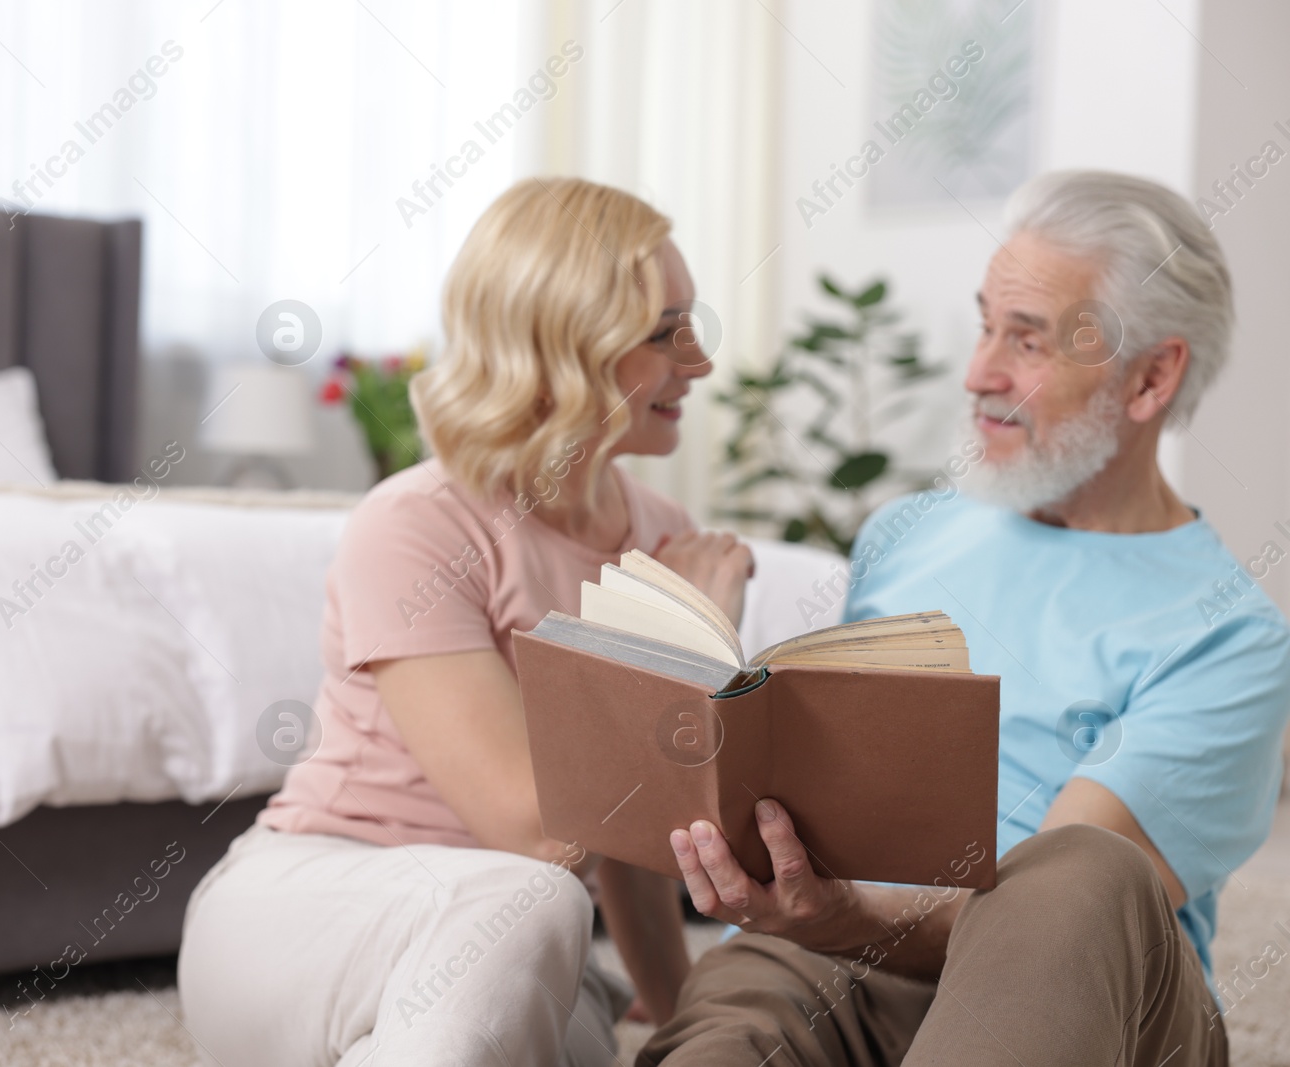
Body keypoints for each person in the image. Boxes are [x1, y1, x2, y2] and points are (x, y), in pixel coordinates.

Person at [641, 170, 1290, 1066]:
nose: (980, 372)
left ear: (1151, 377)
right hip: (837, 961)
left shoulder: (1231, 637)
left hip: (1080, 1004)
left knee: (1080, 871)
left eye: (1026, 340)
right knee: (741, 1006)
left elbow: (1061, 919)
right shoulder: (909, 532)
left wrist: (851, 912)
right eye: (987, 324)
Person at [178, 176, 755, 1066]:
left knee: (569, 1016)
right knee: (535, 900)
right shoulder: (417, 523)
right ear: (566, 345)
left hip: (505, 932)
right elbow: (538, 831)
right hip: (312, 905)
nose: (699, 360)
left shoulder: (663, 536)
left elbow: (639, 834)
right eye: (663, 330)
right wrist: (688, 641)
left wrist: (684, 1019)